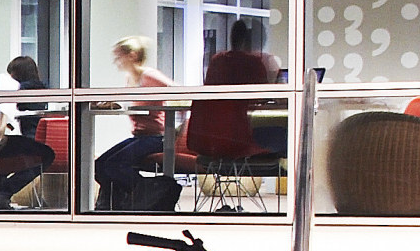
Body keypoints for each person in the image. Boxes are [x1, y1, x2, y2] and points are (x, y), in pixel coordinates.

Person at [179, 35, 284, 198]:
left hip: (205, 145)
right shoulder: (253, 62)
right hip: (236, 144)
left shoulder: (216, 65)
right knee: (286, 135)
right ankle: (297, 200)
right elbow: (261, 94)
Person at [93, 40, 175, 210]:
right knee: (100, 164)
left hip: (156, 137)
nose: (116, 62)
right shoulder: (130, 78)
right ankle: (112, 203)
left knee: (115, 164)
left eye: (119, 57)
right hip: (140, 135)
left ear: (132, 55)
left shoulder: (150, 76)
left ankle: (150, 190)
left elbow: (176, 89)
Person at [0, 52, 61, 207]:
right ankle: (0, 193)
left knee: (0, 148)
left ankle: (2, 190)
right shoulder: (43, 87)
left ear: (17, 73)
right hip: (42, 137)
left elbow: (19, 107)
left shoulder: (23, 89)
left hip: (31, 137)